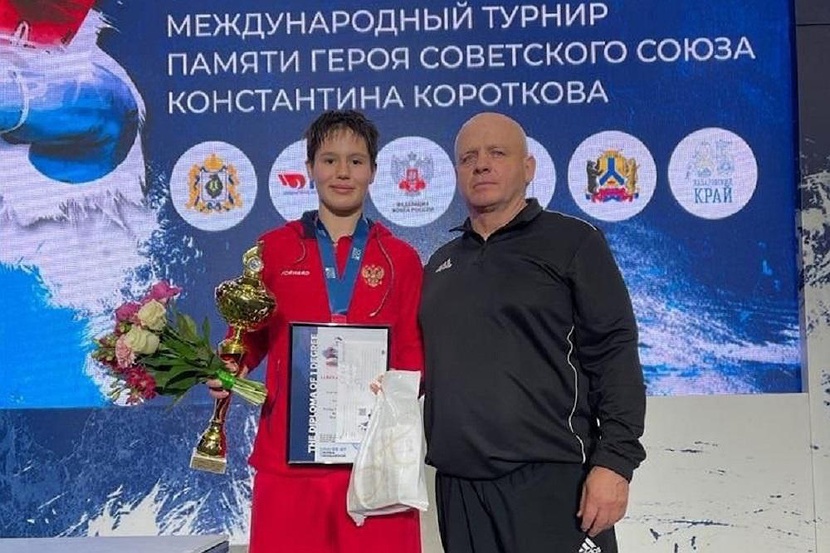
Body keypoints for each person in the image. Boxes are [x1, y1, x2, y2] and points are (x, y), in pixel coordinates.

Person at [419, 112, 646, 553]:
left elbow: (614, 353)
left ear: (528, 168)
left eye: (497, 153)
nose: (481, 165)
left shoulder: (573, 243)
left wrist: (616, 463)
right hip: (460, 490)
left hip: (554, 481)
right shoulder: (441, 265)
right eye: (468, 157)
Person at [208, 110, 424, 553]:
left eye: (356, 161)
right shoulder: (273, 249)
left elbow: (413, 353)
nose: (343, 172)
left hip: (374, 463)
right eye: (329, 160)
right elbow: (248, 336)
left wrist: (395, 388)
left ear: (373, 171)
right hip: (289, 463)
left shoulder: (400, 259)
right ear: (309, 168)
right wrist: (230, 367)